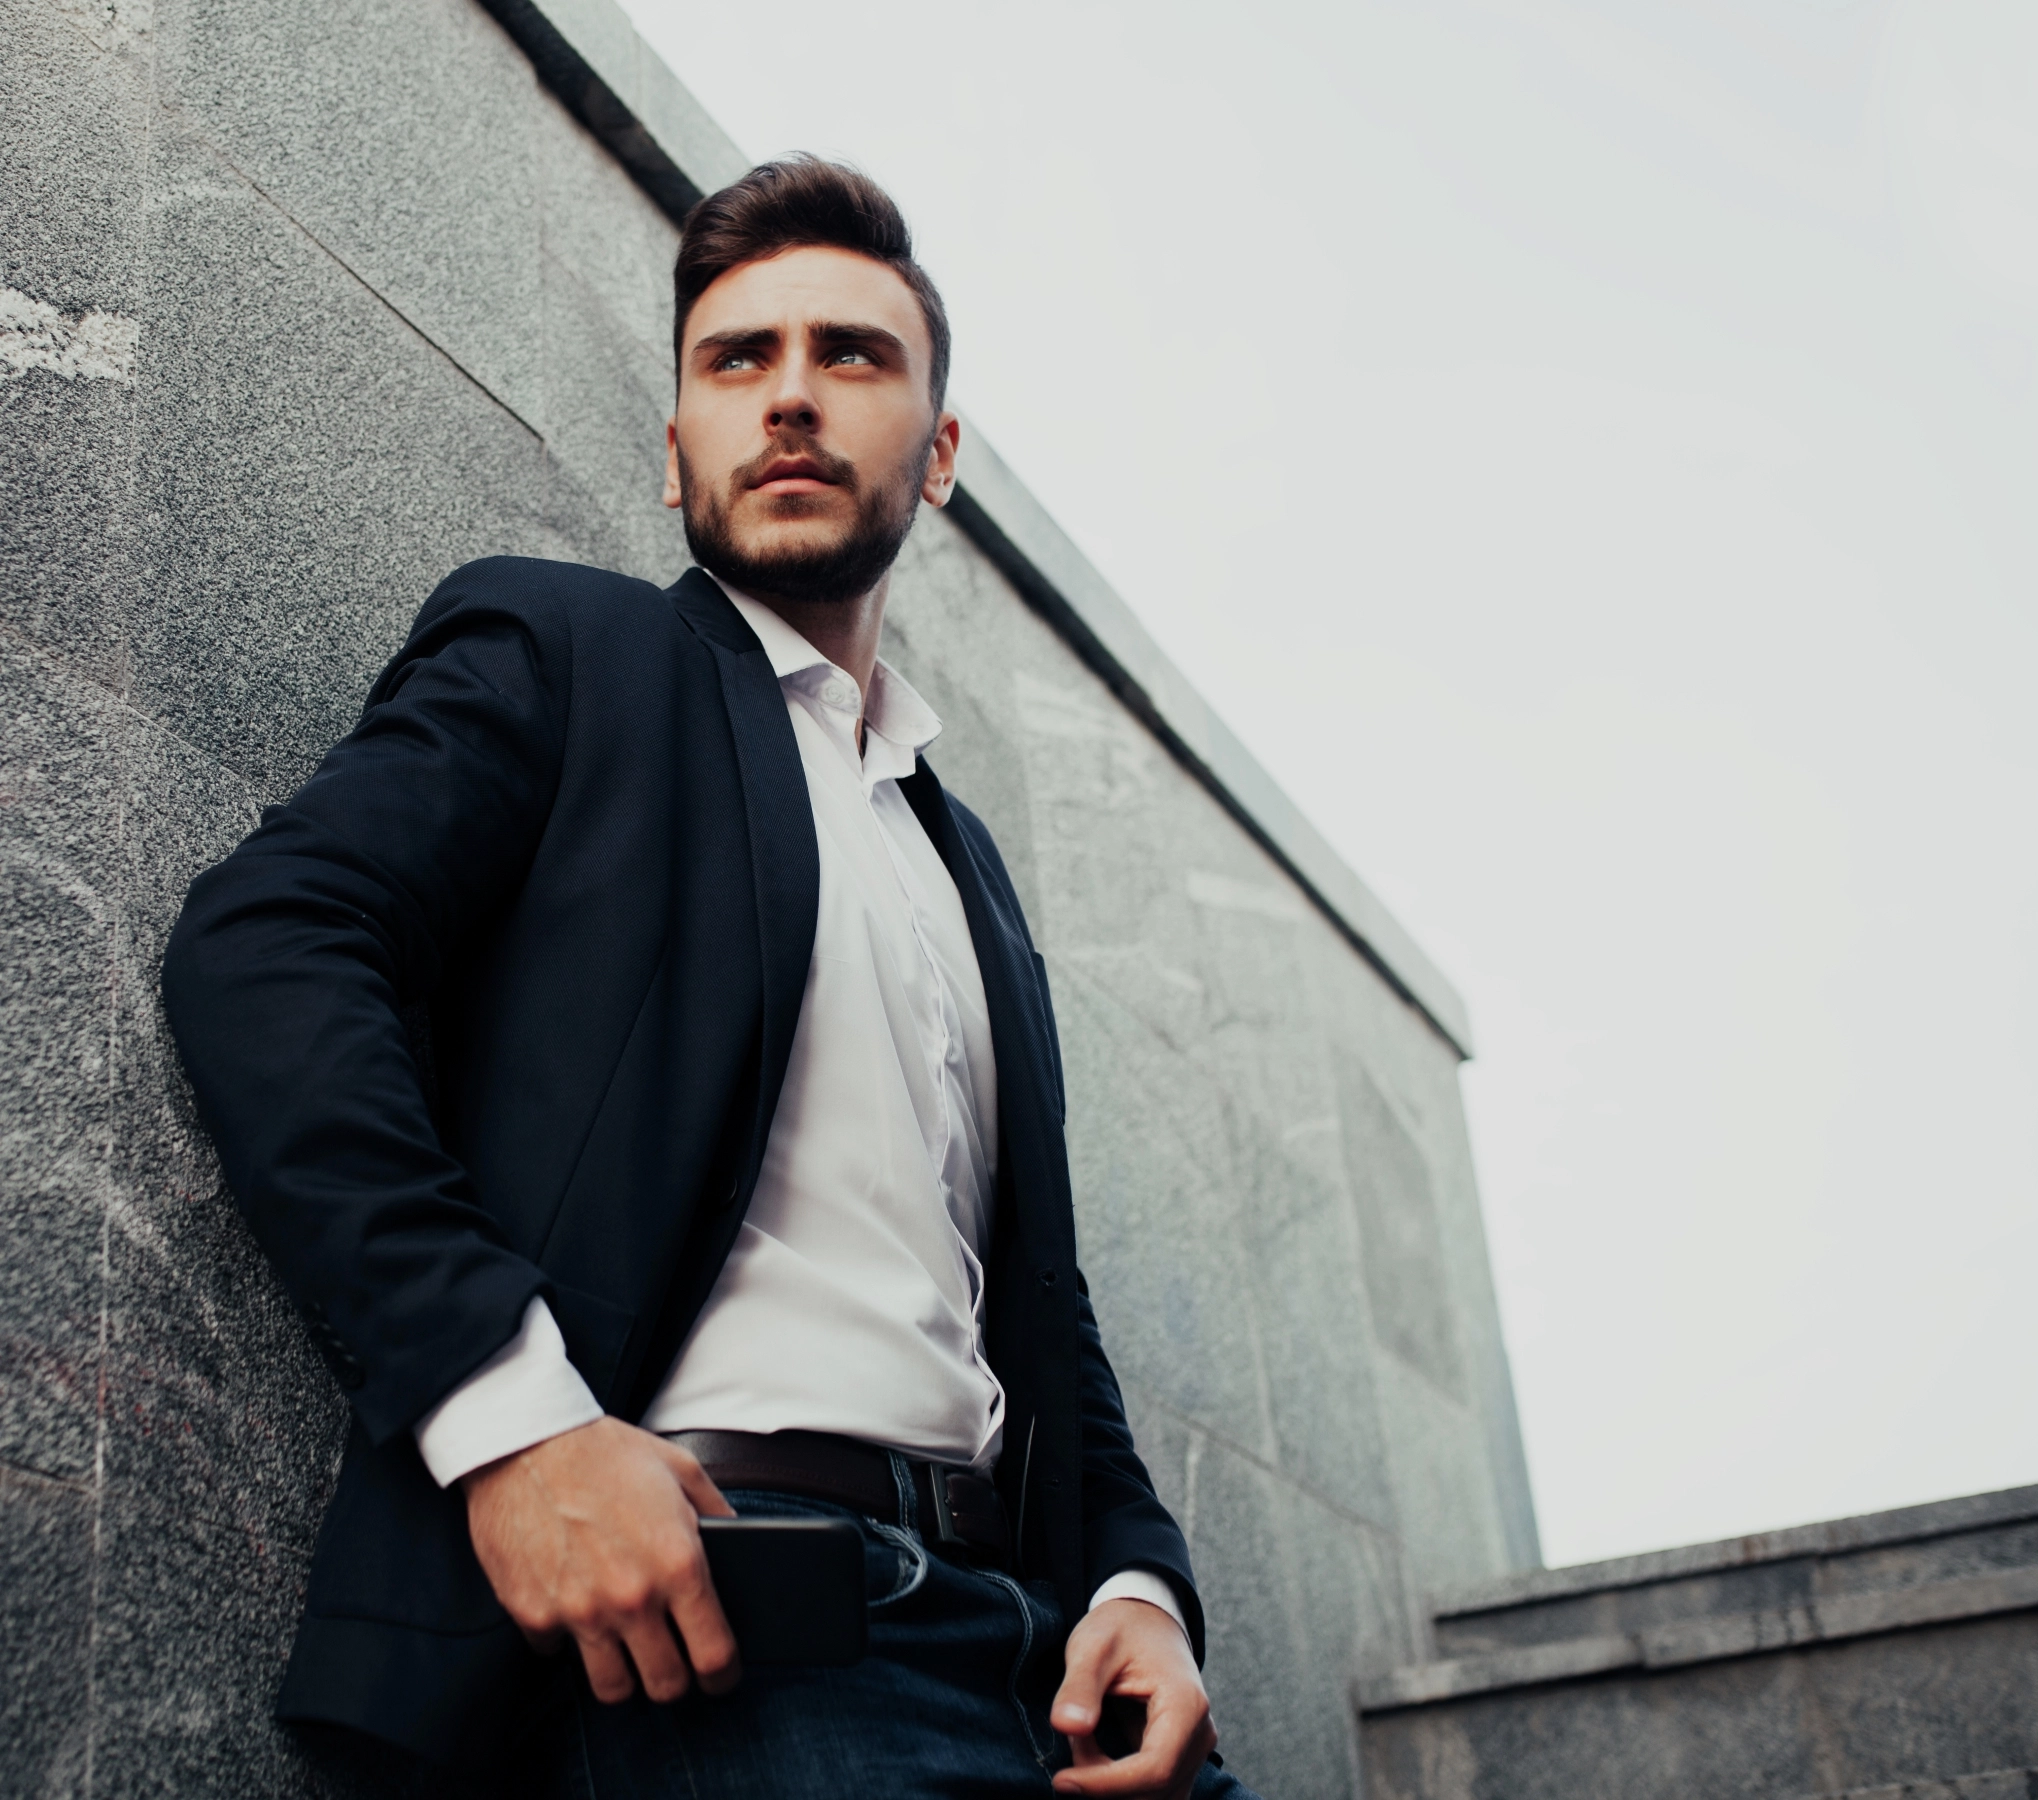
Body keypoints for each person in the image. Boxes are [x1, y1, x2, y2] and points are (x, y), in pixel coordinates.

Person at [162, 156, 1256, 1799]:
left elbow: (1030, 1302)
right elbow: (269, 942)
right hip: (730, 1634)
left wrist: (1137, 1583)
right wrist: (507, 1413)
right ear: (676, 457)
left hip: (1041, 1677)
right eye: (737, 362)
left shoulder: (967, 874)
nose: (792, 398)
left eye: (853, 356)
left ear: (940, 454)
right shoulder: (569, 654)